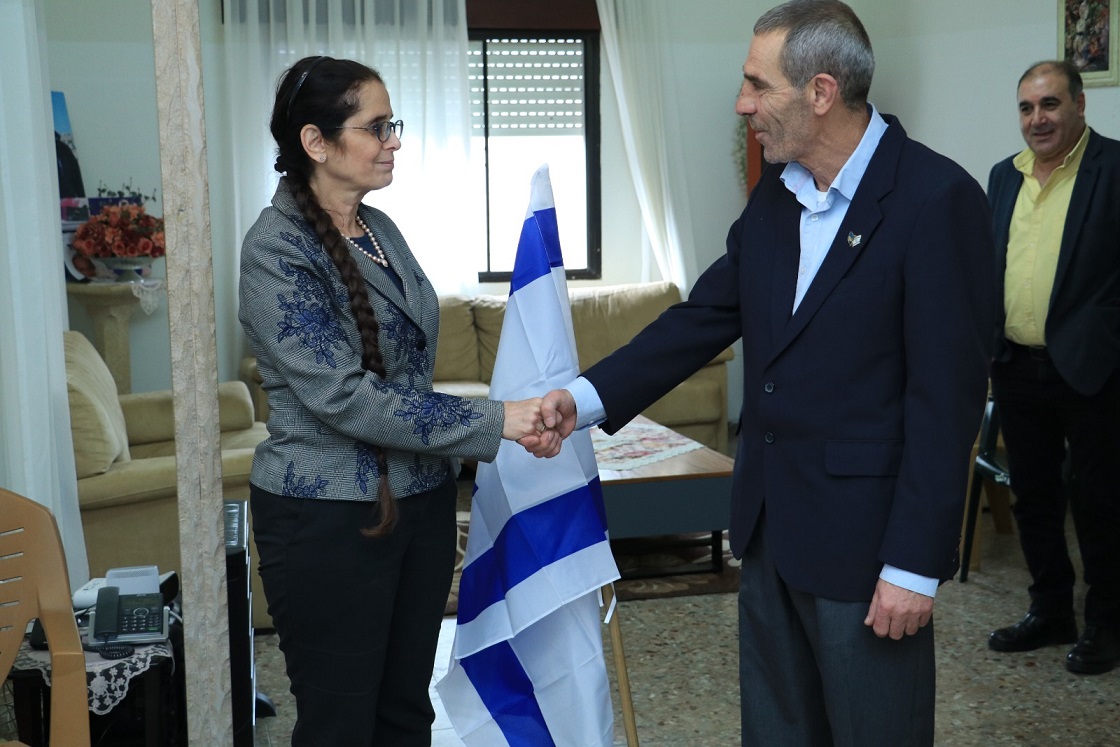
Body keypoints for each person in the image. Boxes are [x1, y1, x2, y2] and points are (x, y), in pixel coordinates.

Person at [533, 1, 994, 743]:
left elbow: (946, 401)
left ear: (821, 91)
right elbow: (701, 317)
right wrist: (580, 400)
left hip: (868, 547)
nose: (742, 103)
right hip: (771, 529)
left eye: (757, 84)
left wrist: (913, 564)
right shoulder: (777, 198)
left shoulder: (937, 200)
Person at [237, 56, 560, 744]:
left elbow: (405, 371)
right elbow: (344, 398)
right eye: (377, 127)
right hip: (328, 515)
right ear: (316, 142)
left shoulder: (378, 227)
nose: (394, 141)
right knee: (340, 725)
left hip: (419, 502)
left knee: (406, 714)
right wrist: (494, 420)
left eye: (394, 125)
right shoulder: (275, 249)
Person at [985, 60, 1120, 675]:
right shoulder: (1003, 177)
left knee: (1099, 502)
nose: (1037, 119)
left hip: (1093, 370)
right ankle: (1050, 610)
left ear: (1079, 105)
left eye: (1049, 104)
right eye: (1026, 107)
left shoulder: (1112, 169)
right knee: (1034, 496)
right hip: (1016, 364)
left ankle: (1108, 623)